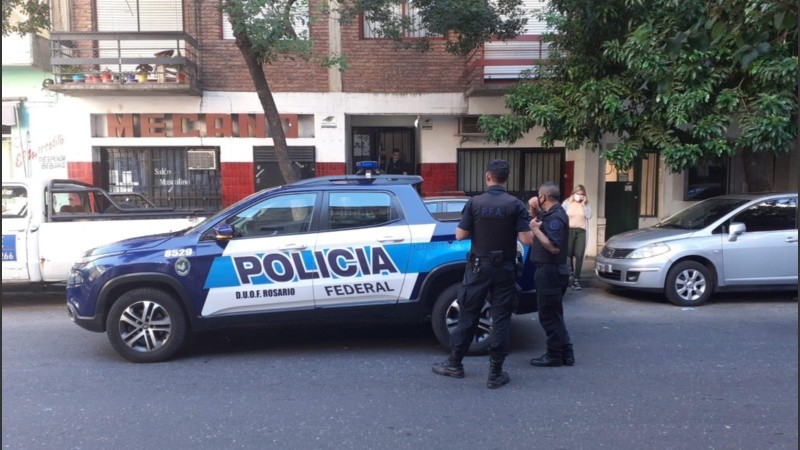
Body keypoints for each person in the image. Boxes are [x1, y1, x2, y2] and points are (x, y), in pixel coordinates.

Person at [432, 159, 534, 389]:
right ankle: (495, 373)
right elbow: (527, 240)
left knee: (468, 313)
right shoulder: (515, 204)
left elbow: (460, 235)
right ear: (506, 179)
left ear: (488, 177)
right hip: (505, 269)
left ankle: (455, 364)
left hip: (479, 267)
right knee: (500, 319)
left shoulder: (475, 203)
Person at [528, 181, 574, 367]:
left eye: (538, 195)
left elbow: (553, 247)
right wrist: (533, 211)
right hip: (549, 270)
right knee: (555, 314)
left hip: (550, 270)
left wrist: (535, 230)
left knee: (547, 315)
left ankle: (554, 355)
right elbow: (538, 220)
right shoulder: (550, 214)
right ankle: (566, 353)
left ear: (543, 197)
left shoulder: (556, 217)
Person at [562, 185, 592, 290]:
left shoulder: (586, 204)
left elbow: (589, 215)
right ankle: (570, 274)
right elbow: (561, 215)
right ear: (573, 193)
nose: (579, 196)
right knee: (568, 253)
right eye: (577, 194)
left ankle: (576, 278)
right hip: (569, 230)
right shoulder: (567, 203)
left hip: (581, 231)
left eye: (581, 194)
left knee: (579, 254)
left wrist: (583, 204)